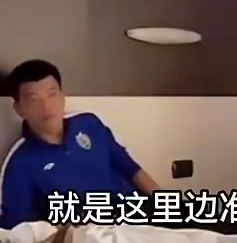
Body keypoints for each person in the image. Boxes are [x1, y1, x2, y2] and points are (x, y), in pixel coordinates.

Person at [0, 59, 160, 229]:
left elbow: (130, 168)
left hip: (138, 212)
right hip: (96, 232)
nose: (46, 106)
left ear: (62, 97)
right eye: (34, 100)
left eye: (52, 95)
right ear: (19, 109)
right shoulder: (20, 163)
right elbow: (15, 230)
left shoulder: (88, 123)